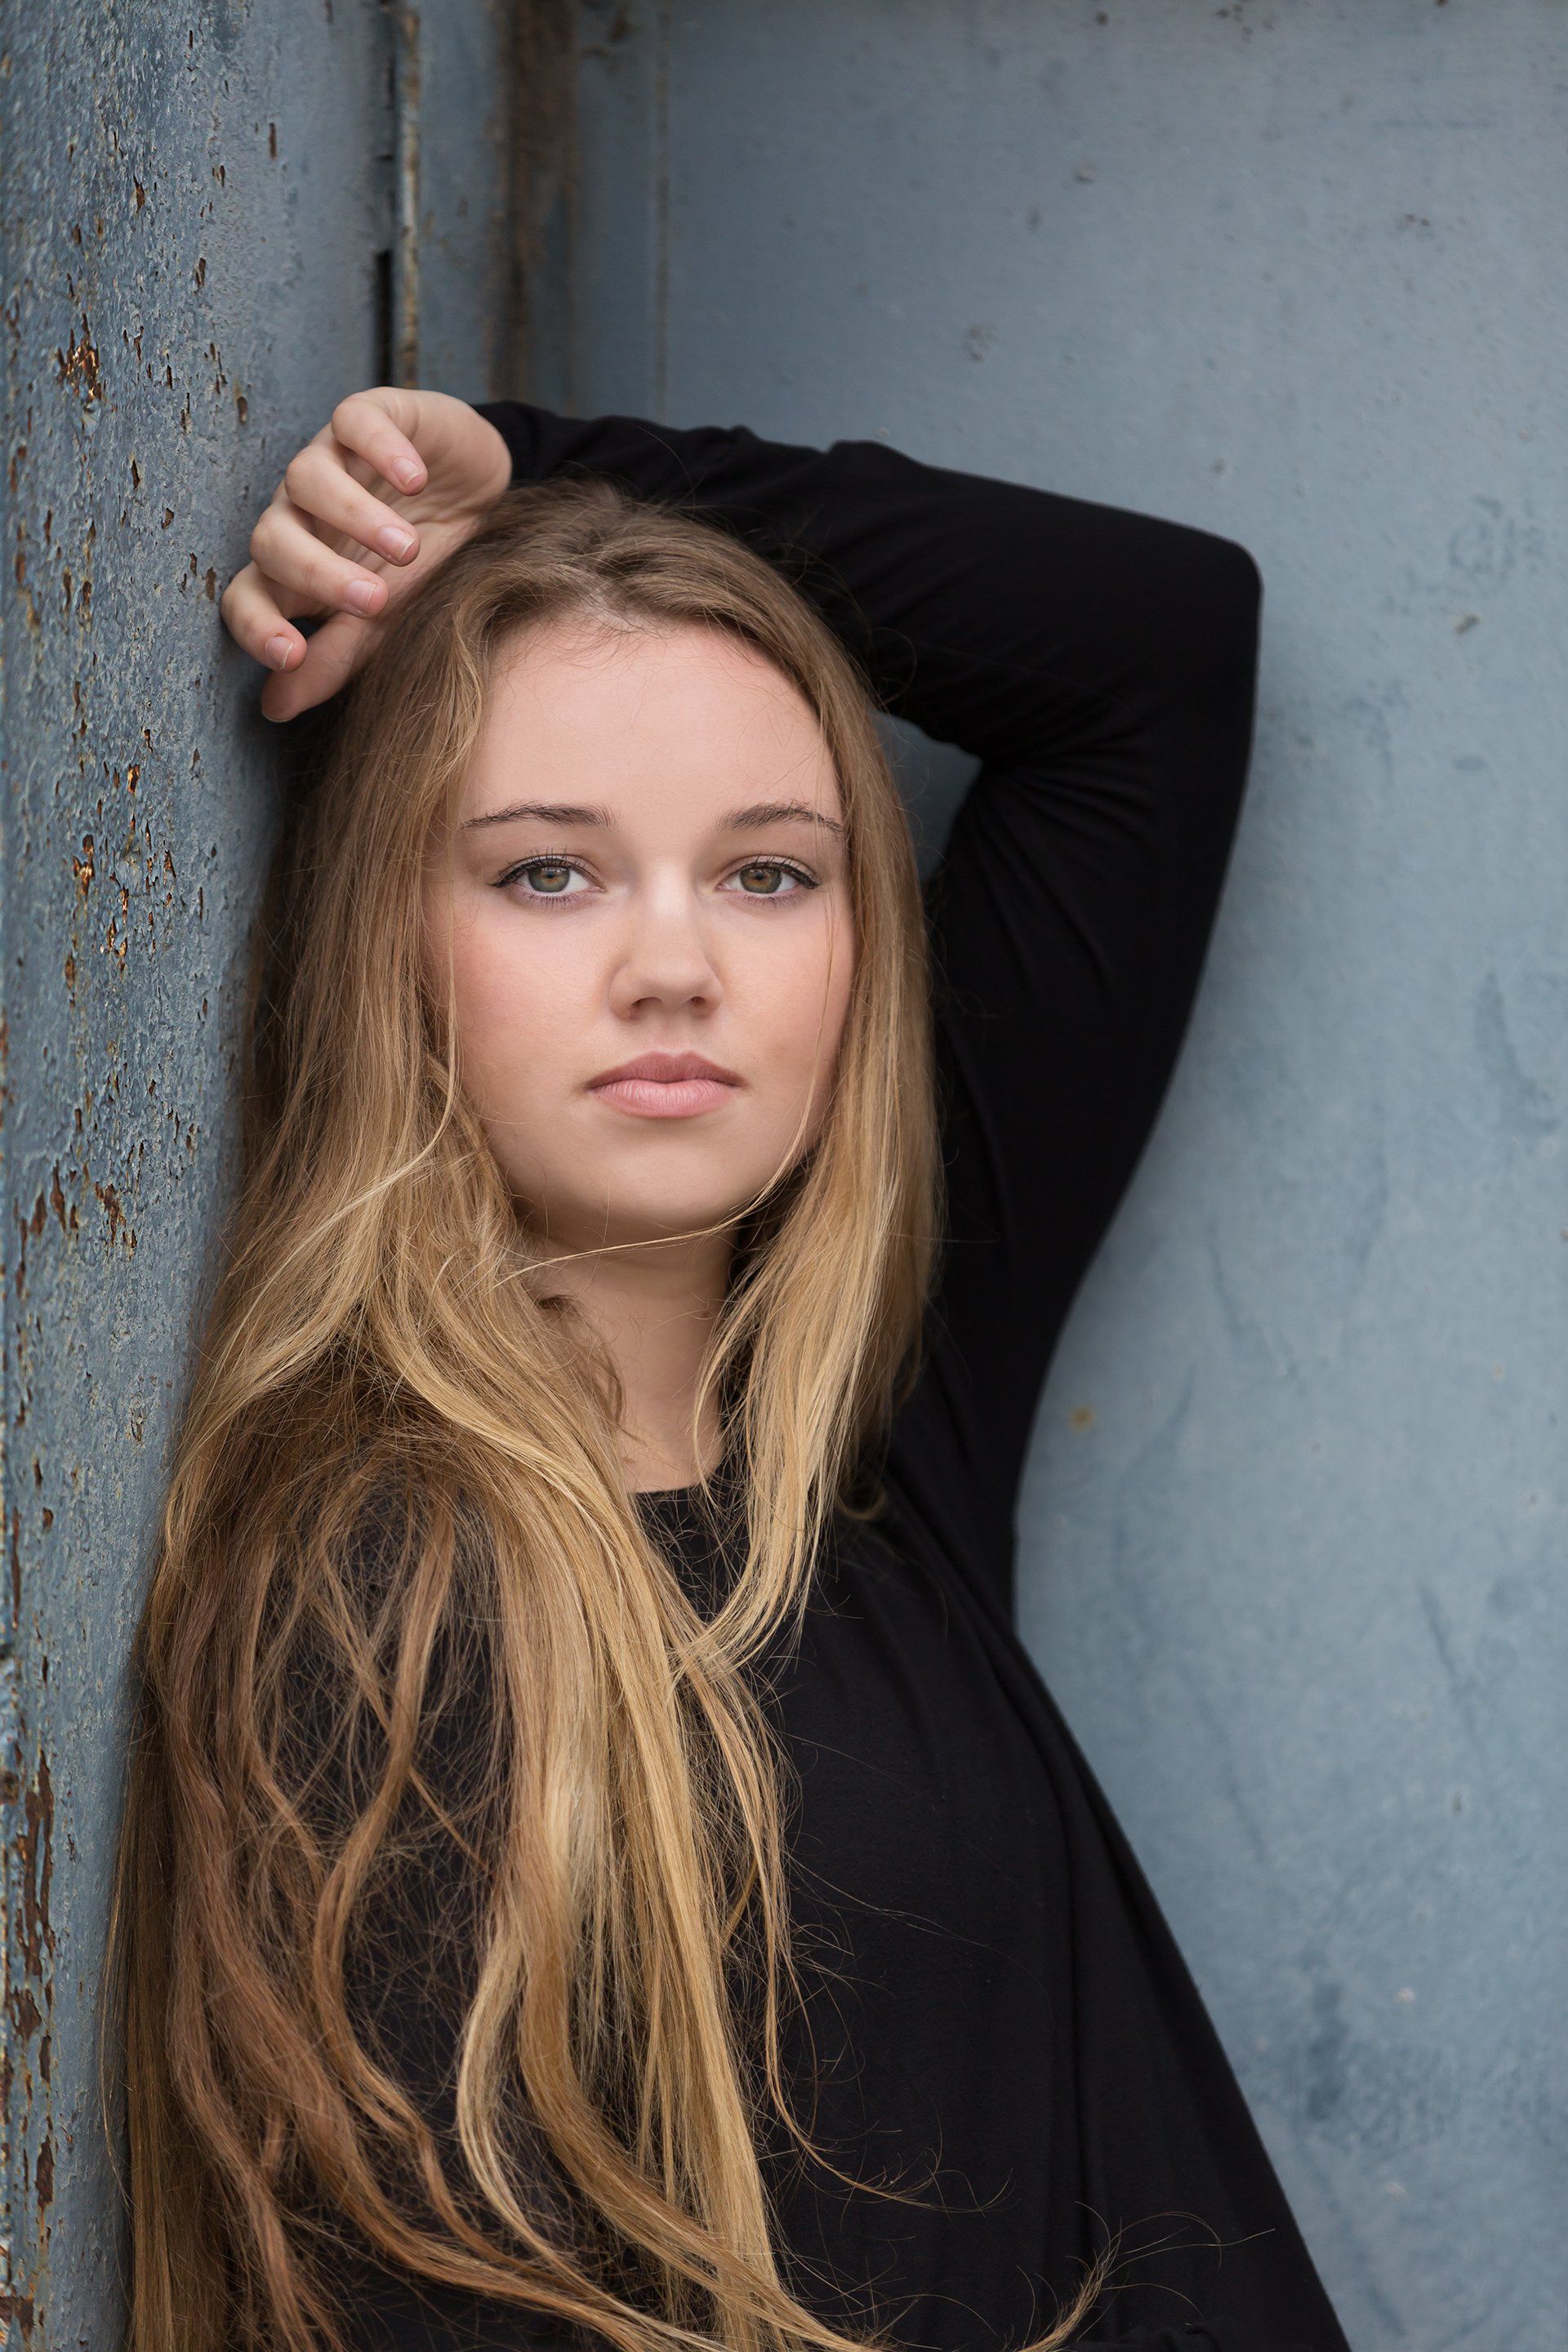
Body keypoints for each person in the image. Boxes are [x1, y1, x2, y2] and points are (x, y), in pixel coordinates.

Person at [108, 388, 1352, 2352]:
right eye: (548, 873)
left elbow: (1157, 643)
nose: (675, 964)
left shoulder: (874, 1428)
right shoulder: (369, 1597)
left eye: (769, 871)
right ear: (387, 947)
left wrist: (523, 483)